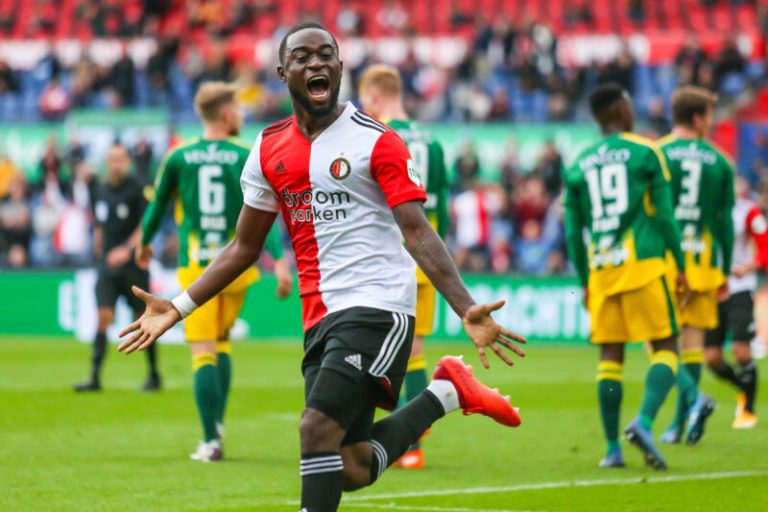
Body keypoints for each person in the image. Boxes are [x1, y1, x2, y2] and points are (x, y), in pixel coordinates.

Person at [118, 22, 525, 511]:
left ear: (339, 66)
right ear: (282, 72)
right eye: (303, 57)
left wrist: (464, 307)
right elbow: (243, 247)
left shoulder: (377, 140)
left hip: (378, 306)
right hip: (319, 316)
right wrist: (178, 306)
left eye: (326, 54)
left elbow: (417, 231)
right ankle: (446, 393)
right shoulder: (267, 147)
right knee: (351, 465)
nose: (316, 62)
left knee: (314, 429)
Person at [137, 81, 293, 462]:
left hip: (197, 267)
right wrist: (279, 261)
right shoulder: (245, 153)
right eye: (237, 109)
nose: (241, 115)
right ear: (225, 114)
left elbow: (158, 203)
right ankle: (217, 426)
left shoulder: (178, 155)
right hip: (235, 267)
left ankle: (210, 440)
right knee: (221, 342)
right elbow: (264, 210)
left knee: (203, 349)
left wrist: (144, 242)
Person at [563, 83, 691, 470]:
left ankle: (611, 449)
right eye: (630, 105)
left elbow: (573, 233)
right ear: (620, 110)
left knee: (610, 358)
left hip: (602, 270)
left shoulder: (579, 163)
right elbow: (665, 216)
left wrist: (585, 280)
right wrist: (680, 265)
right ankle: (645, 422)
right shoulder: (647, 152)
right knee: (666, 347)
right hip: (644, 265)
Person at [357, 64, 450, 469]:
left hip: (387, 256)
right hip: (426, 257)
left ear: (375, 97)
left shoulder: (377, 135)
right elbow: (443, 202)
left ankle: (386, 439)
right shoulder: (433, 141)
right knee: (415, 350)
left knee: (372, 346)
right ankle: (411, 446)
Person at [657, 86, 734, 445]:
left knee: (659, 346)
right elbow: (725, 222)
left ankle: (693, 402)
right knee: (692, 347)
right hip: (703, 264)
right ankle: (680, 424)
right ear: (699, 118)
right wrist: (725, 268)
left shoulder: (657, 154)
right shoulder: (720, 161)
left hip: (665, 264)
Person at [74, 143, 161, 392]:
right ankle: (94, 378)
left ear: (128, 161)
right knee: (103, 317)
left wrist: (127, 249)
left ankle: (153, 375)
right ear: (106, 161)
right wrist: (98, 252)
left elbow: (146, 223)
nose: (116, 164)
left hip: (133, 264)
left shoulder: (139, 187)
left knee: (142, 319)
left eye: (121, 159)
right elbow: (99, 224)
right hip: (107, 265)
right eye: (112, 159)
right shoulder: (99, 189)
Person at [704, 175, 762, 429]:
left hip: (739, 287)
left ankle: (748, 411)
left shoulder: (748, 211)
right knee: (711, 358)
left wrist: (747, 268)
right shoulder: (702, 209)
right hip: (711, 289)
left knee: (741, 350)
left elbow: (765, 246)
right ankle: (743, 388)